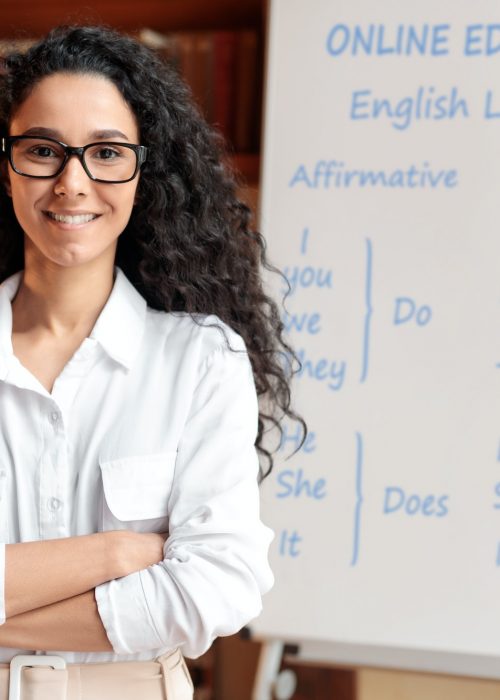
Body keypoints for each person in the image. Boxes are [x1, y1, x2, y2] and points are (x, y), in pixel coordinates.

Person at [0, 23, 304, 700]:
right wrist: (111, 554)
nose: (72, 183)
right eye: (43, 150)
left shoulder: (199, 359)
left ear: (145, 170)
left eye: (106, 152)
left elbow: (215, 589)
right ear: (8, 165)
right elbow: (173, 585)